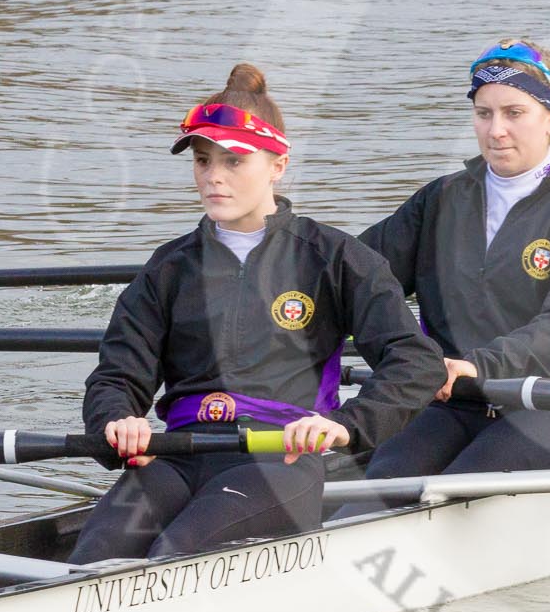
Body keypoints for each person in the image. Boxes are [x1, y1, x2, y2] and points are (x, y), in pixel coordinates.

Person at [74, 64, 442, 562]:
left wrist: (348, 424)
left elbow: (415, 362)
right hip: (180, 455)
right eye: (203, 162)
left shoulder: (334, 258)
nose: (214, 177)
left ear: (278, 165)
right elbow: (116, 375)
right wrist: (115, 421)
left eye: (233, 161)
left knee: (174, 554)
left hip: (283, 459)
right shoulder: (170, 267)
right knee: (95, 553)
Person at [357, 39, 550, 486]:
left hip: (548, 405)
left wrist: (483, 364)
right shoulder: (441, 201)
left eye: (514, 113)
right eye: (484, 114)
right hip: (451, 399)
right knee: (385, 480)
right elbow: (361, 279)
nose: (496, 130)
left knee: (458, 489)